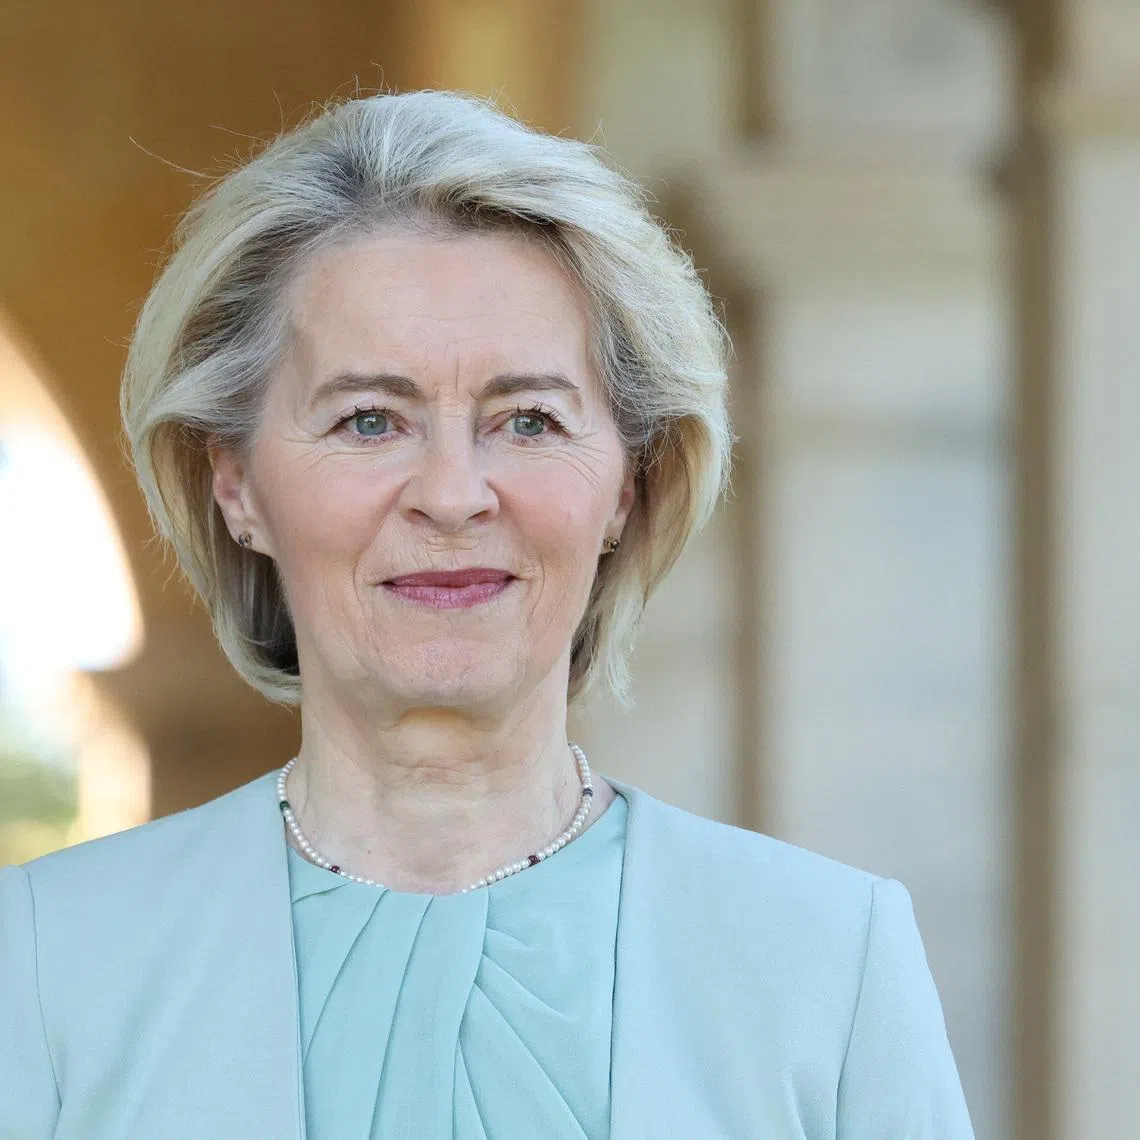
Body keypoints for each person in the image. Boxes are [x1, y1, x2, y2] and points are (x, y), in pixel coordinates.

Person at [0, 90, 975, 1138]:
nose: (454, 494)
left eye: (530, 420)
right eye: (368, 420)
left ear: (628, 485)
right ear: (235, 484)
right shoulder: (46, 959)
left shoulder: (831, 959)